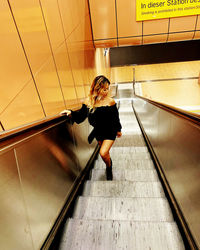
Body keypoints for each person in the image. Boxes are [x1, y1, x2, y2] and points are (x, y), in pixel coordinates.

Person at [60, 75, 122, 180]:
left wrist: (118, 129)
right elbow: (80, 117)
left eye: (107, 89)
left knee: (102, 153)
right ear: (97, 88)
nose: (106, 91)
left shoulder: (110, 101)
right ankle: (108, 162)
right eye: (104, 89)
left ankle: (109, 167)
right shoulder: (88, 102)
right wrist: (70, 112)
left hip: (110, 130)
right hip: (98, 132)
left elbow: (115, 117)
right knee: (105, 153)